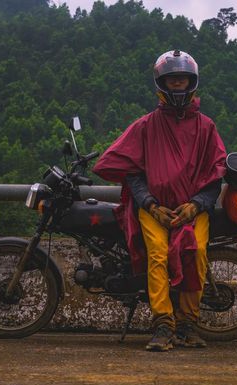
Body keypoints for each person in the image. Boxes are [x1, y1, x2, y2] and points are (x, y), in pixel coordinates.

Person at [93, 50, 227, 352]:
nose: (177, 85)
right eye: (172, 80)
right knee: (157, 255)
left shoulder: (206, 127)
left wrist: (195, 205)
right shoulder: (146, 126)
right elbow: (132, 173)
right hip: (154, 209)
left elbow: (215, 174)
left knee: (198, 252)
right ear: (161, 84)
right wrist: (151, 205)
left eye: (182, 80)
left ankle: (187, 324)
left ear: (192, 83)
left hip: (192, 209)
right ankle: (163, 323)